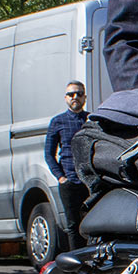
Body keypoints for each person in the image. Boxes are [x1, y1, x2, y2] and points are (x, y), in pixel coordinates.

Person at [44, 81, 88, 249]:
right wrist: (61, 177)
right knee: (73, 225)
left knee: (92, 224)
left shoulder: (91, 120)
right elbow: (49, 154)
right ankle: (76, 265)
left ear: (85, 97)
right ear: (65, 98)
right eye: (71, 94)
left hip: (89, 182)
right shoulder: (58, 122)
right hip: (70, 181)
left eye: (79, 93)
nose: (75, 97)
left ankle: (94, 262)